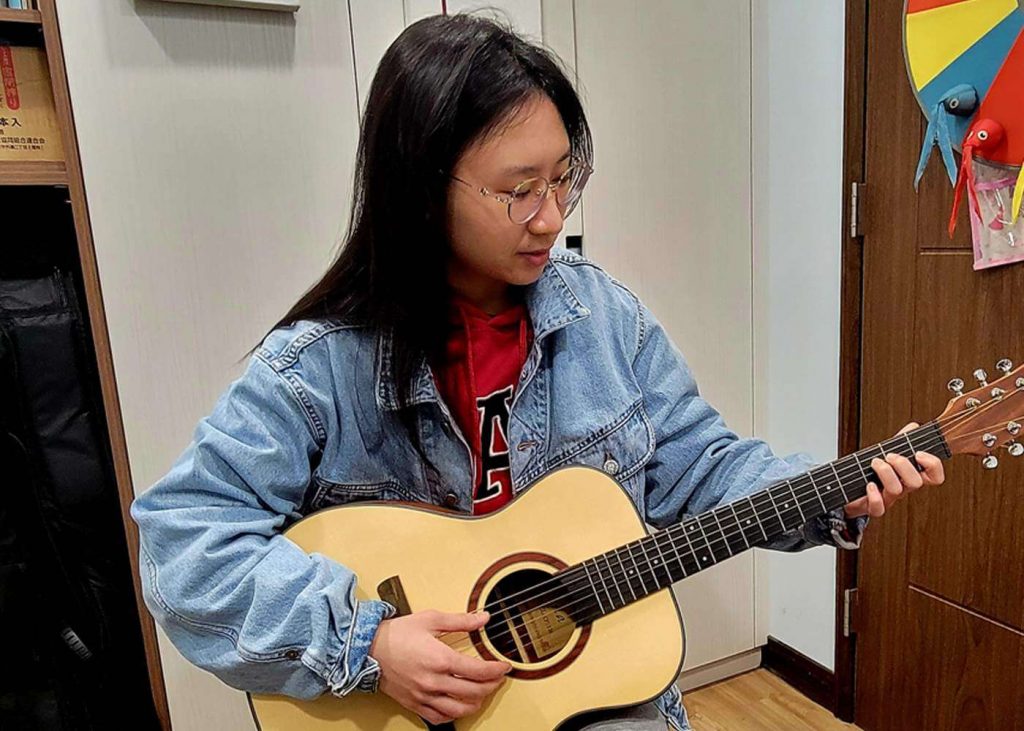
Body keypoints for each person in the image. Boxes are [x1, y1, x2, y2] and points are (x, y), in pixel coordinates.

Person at [130, 13, 944, 731]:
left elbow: (700, 465)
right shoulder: (320, 366)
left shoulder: (604, 318)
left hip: (595, 703)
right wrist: (369, 640)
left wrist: (830, 486)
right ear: (421, 189)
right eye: (519, 190)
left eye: (563, 177)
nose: (552, 217)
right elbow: (183, 543)